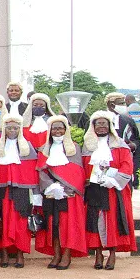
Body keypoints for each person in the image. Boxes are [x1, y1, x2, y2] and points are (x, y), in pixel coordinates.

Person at [82, 111, 137, 270]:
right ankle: (98, 254)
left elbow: (127, 165)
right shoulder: (87, 146)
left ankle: (112, 254)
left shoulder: (120, 144)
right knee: (94, 220)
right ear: (93, 126)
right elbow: (83, 167)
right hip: (93, 189)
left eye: (104, 123)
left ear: (110, 126)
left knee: (112, 221)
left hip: (114, 190)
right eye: (98, 124)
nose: (101, 126)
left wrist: (113, 180)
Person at [34, 115, 87, 270]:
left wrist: (66, 189)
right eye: (54, 128)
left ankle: (67, 255)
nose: (57, 131)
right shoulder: (44, 149)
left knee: (68, 225)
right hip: (51, 193)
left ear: (65, 130)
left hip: (69, 194)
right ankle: (56, 254)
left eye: (60, 128)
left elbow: (78, 172)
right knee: (53, 224)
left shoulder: (74, 148)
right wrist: (50, 187)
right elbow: (41, 171)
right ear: (50, 131)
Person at [0, 115, 40, 268]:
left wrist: (36, 192)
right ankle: (4, 252)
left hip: (22, 190)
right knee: (3, 221)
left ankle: (20, 253)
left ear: (20, 129)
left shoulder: (28, 147)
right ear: (4, 129)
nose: (12, 131)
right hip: (3, 190)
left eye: (15, 128)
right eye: (9, 128)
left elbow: (32, 170)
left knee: (21, 222)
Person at [106, 93, 140, 177]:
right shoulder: (99, 120)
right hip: (105, 164)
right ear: (111, 105)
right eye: (121, 103)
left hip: (124, 164)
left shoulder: (128, 121)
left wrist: (134, 145)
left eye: (124, 103)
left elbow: (136, 139)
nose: (124, 106)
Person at [126, 94, 140, 188]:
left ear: (128, 101)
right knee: (136, 160)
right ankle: (136, 182)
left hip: (128, 140)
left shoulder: (126, 111)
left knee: (127, 160)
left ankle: (128, 181)